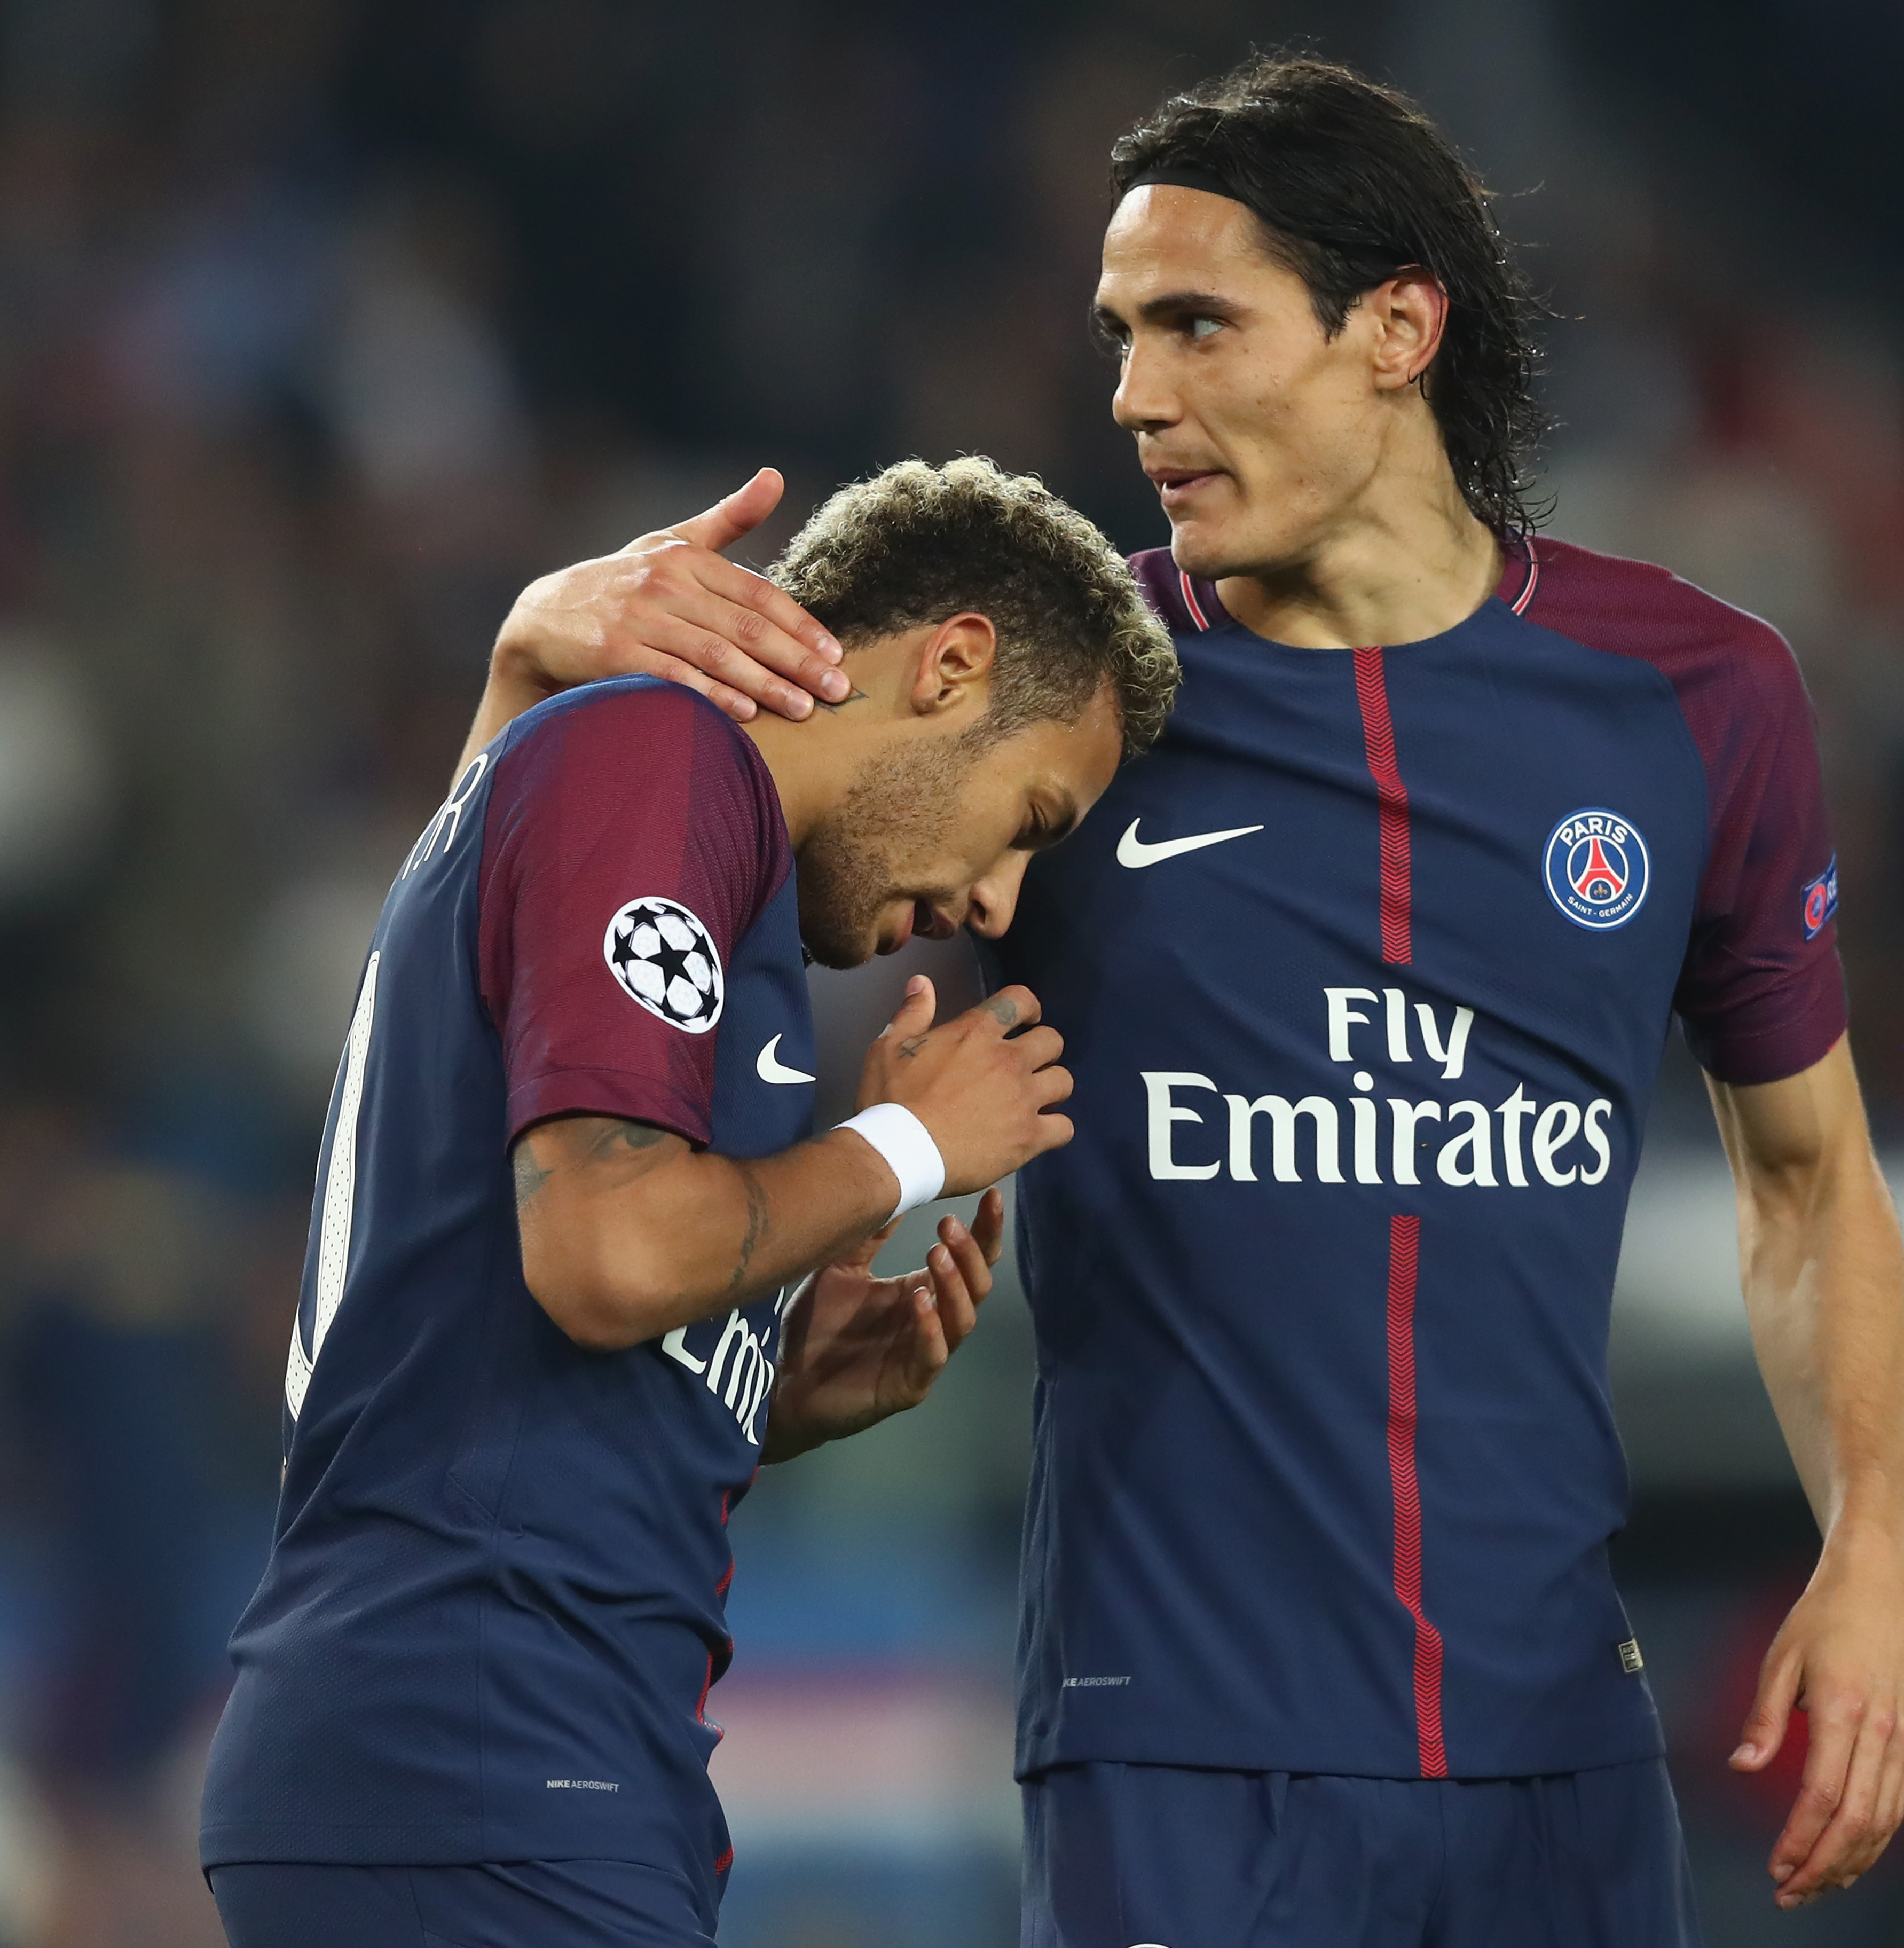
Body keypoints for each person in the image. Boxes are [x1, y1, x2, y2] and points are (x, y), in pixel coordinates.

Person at [490, 55, 1904, 1945]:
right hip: (1174, 1757)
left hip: (1562, 1757)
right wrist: (534, 676)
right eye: (1115, 336)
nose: (1133, 397)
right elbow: (573, 923)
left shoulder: (1695, 700)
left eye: (1195, 327)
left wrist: (1873, 1552)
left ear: (1394, 328)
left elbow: (1809, 1186)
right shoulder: (1049, 701)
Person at [198, 457, 1180, 1948]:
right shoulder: (660, 760)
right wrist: (907, 1150)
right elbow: (606, 1255)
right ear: (953, 666)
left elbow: (506, 1315)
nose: (997, 901)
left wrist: (763, 1380)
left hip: (505, 1764)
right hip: (474, 1755)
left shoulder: (688, 857)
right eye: (1032, 815)